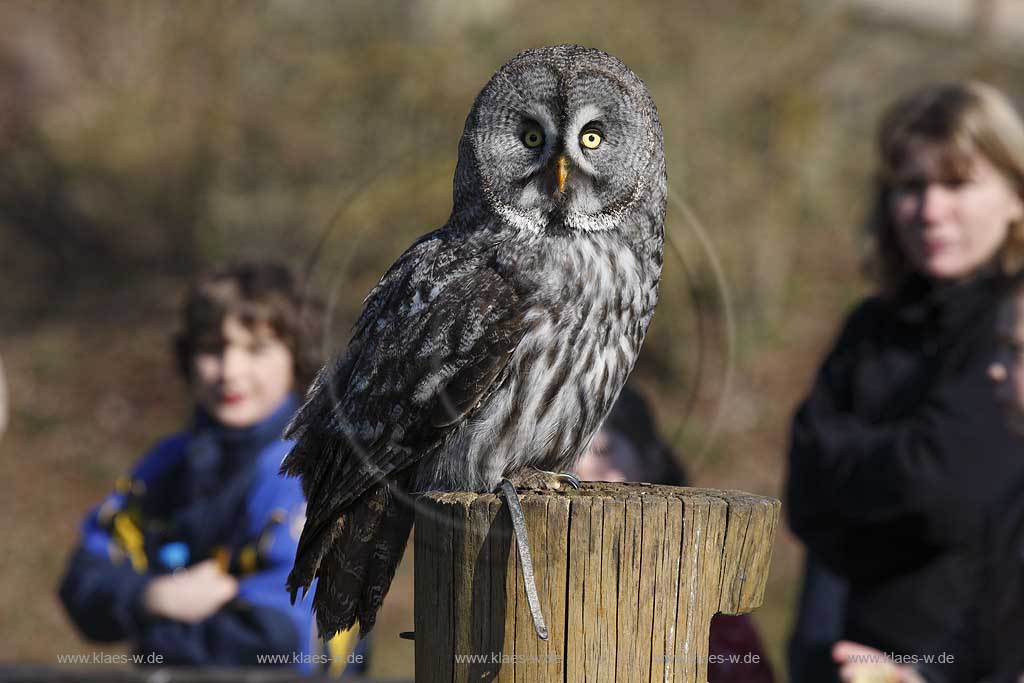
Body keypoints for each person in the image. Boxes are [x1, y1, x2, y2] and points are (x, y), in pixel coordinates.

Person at [785, 80, 1024, 673]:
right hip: (836, 654)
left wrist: (851, 473)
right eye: (911, 187)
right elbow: (804, 488)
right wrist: (893, 469)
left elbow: (947, 488)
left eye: (957, 184)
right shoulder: (870, 327)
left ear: (1017, 194)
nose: (930, 210)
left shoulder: (1011, 328)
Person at [58, 262, 362, 673]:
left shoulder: (312, 476)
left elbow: (282, 642)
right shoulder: (167, 465)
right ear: (187, 359)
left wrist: (153, 638)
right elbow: (82, 583)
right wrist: (154, 597)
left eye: (256, 349)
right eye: (212, 349)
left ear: (298, 358)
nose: (230, 372)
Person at [833, 275, 1024, 683]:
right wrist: (908, 678)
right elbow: (978, 650)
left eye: (1015, 351)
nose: (993, 369)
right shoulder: (1011, 507)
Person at [575, 384, 775, 683]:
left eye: (602, 450)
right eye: (566, 450)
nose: (577, 466)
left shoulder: (702, 579)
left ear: (652, 458)